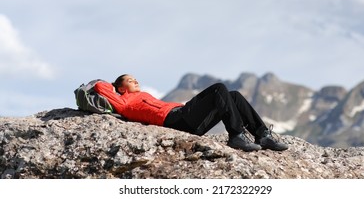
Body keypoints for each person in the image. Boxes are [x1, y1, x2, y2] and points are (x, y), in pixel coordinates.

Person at [94, 74, 288, 152]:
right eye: (129, 80)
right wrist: (107, 84)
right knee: (218, 88)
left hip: (186, 119)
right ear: (119, 88)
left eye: (135, 78)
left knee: (234, 95)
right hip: (174, 119)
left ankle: (262, 135)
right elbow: (100, 87)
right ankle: (236, 135)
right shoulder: (123, 101)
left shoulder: (141, 94)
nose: (135, 80)